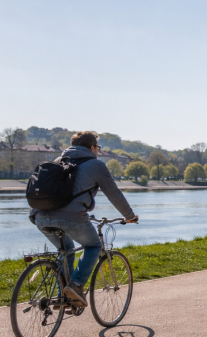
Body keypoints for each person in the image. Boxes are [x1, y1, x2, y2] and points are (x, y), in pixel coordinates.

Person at [29, 131, 139, 308]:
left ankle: (62, 297)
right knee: (94, 245)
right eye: (98, 148)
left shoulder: (57, 161)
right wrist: (130, 216)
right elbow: (115, 195)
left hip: (39, 216)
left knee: (66, 250)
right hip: (71, 218)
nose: (98, 151)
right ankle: (76, 285)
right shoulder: (96, 165)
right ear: (92, 147)